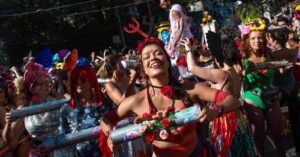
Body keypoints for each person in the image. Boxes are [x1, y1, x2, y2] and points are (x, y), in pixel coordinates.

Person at [100, 37, 241, 157]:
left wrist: (216, 109)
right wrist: (110, 135)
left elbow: (232, 101)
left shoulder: (189, 89)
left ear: (167, 61)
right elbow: (106, 120)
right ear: (143, 68)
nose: (153, 58)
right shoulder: (136, 101)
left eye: (158, 53)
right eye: (147, 57)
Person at [184, 35, 257, 157]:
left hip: (224, 122)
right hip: (239, 119)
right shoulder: (236, 70)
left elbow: (192, 68)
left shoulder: (221, 75)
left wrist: (188, 50)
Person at [4, 62, 72, 157]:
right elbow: (11, 140)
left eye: (48, 82)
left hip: (60, 151)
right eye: (42, 83)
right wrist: (8, 123)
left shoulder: (57, 102)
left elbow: (73, 118)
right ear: (32, 88)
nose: (47, 85)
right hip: (39, 153)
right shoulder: (25, 108)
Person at [240, 20, 286, 157]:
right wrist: (245, 71)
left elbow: (282, 65)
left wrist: (284, 67)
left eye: (260, 37)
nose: (257, 41)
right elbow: (236, 74)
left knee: (278, 134)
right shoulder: (243, 57)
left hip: (271, 96)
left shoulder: (270, 54)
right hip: (253, 99)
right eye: (253, 38)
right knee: (259, 136)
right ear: (247, 40)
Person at [60, 58, 109, 157]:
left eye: (83, 80)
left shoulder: (105, 104)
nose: (79, 83)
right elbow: (64, 141)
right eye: (75, 81)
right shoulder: (66, 110)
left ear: (91, 81)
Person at [267, 27, 300, 156]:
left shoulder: (272, 55)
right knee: (296, 119)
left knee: (274, 121)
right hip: (292, 86)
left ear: (275, 41)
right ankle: (298, 149)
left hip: (277, 90)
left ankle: (280, 149)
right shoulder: (293, 52)